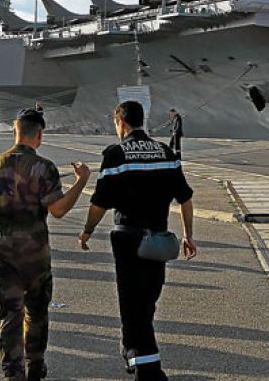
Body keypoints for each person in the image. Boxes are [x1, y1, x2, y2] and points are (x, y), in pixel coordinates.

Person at [0, 109, 90, 381]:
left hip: (2, 247)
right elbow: (57, 210)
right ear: (40, 135)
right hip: (35, 249)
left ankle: (12, 373)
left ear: (16, 130)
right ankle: (35, 364)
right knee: (36, 310)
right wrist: (81, 182)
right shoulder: (44, 167)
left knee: (9, 314)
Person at [79, 101, 197, 381]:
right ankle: (133, 353)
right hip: (158, 239)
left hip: (129, 237)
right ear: (142, 121)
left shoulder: (115, 154)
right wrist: (188, 236)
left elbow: (99, 203)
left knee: (132, 304)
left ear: (120, 123)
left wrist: (87, 231)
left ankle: (148, 369)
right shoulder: (166, 152)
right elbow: (186, 198)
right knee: (147, 300)